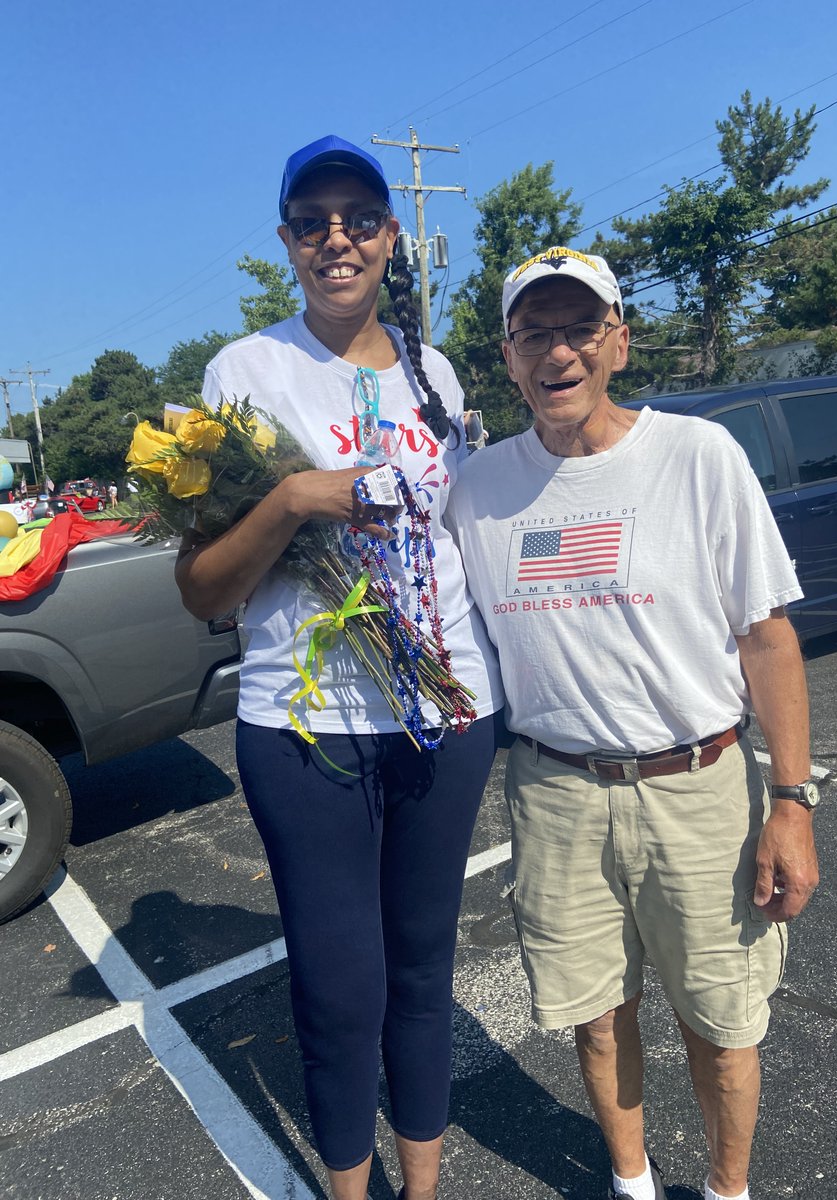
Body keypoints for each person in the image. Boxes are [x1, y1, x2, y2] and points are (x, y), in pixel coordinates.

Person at [446, 247, 819, 1200]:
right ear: (508, 352)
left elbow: (769, 640)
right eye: (535, 332)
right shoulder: (477, 490)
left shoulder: (696, 456)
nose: (557, 351)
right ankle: (633, 1181)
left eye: (580, 327)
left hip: (698, 788)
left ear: (619, 339)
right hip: (556, 793)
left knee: (722, 1024)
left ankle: (729, 1190)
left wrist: (792, 803)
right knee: (598, 1018)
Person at [174, 134, 503, 1200]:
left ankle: (425, 1188)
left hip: (443, 719)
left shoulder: (433, 369)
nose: (336, 238)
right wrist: (286, 501)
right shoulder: (245, 373)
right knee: (339, 982)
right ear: (287, 242)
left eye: (358, 217)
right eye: (312, 221)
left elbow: (457, 536)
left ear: (390, 235)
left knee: (421, 969)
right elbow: (205, 591)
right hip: (304, 727)